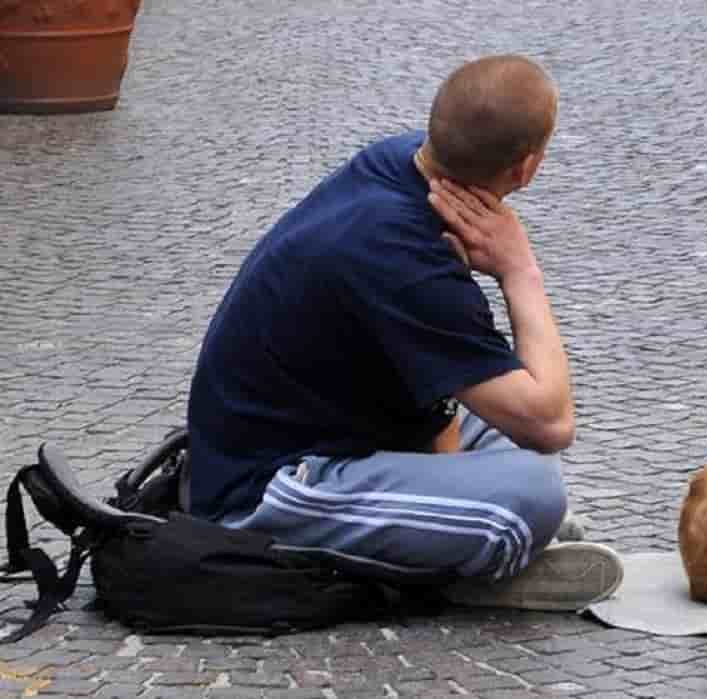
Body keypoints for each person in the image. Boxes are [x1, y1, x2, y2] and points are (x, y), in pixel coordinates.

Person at [185, 55, 622, 611]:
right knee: (532, 494)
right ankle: (455, 568)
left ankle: (458, 534)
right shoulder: (401, 251)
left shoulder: (400, 166)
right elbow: (553, 422)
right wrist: (521, 272)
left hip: (340, 431)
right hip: (266, 489)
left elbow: (438, 379)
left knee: (508, 434)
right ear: (526, 168)